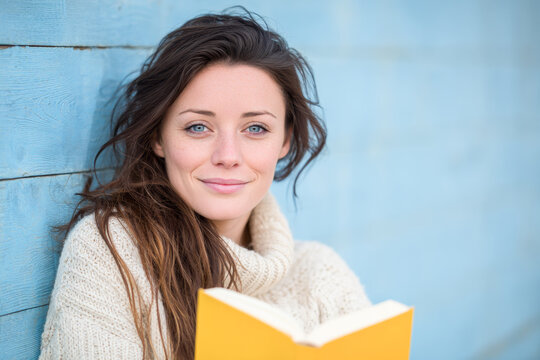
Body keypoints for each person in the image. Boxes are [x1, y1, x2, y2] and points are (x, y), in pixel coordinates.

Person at [38, 7, 371, 360]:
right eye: (198, 127)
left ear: (284, 140)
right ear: (159, 137)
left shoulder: (321, 273)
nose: (228, 155)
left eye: (255, 128)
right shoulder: (113, 251)